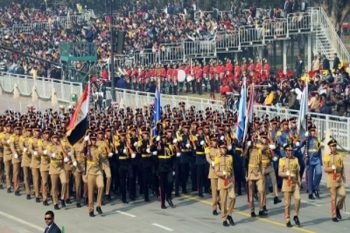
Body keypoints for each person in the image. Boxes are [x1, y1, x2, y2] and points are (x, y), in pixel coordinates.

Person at [323, 139, 346, 222]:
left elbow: (342, 167)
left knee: (343, 195)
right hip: (331, 179)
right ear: (329, 147)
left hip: (339, 179)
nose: (334, 147)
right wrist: (331, 168)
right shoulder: (327, 156)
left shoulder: (339, 156)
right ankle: (334, 215)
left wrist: (343, 176)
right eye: (332, 146)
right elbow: (325, 169)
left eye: (335, 145)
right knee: (333, 198)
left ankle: (338, 208)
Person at [278, 144, 301, 228]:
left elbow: (298, 172)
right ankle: (287, 219)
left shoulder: (296, 159)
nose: (290, 152)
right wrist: (285, 174)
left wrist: (299, 181)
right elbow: (279, 173)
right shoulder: (282, 160)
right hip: (286, 183)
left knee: (298, 199)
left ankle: (296, 215)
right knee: (287, 203)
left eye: (291, 150)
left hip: (295, 183)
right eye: (288, 150)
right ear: (285, 151)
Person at [215, 144, 235, 227]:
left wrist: (232, 178)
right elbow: (216, 171)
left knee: (233, 198)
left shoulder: (230, 157)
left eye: (225, 148)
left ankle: (229, 214)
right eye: (222, 148)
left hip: (229, 181)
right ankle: (224, 219)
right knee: (223, 202)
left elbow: (231, 169)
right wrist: (223, 174)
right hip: (222, 181)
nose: (224, 149)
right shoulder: (217, 159)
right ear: (219, 149)